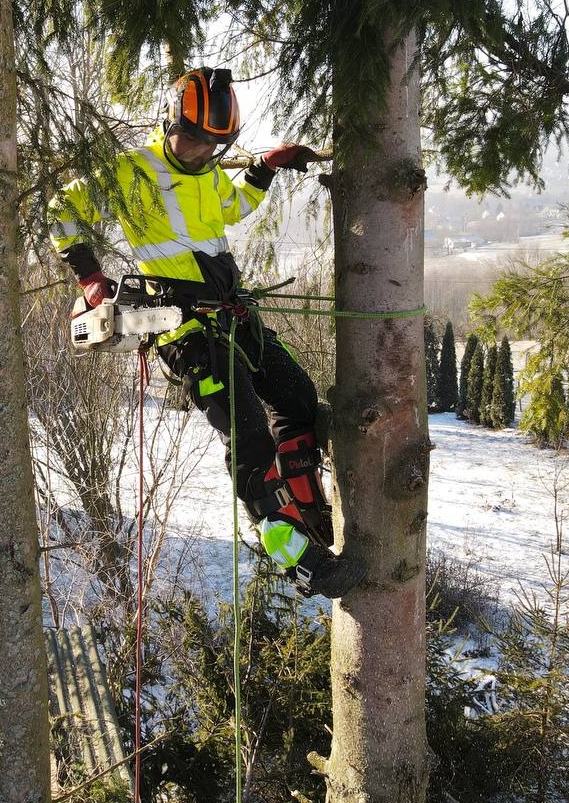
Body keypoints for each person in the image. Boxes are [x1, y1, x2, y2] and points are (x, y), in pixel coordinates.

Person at [48, 67, 365, 599]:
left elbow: (232, 205)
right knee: (246, 430)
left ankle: (310, 510)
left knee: (297, 398)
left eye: (213, 144)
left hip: (232, 311)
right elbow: (63, 207)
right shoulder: (131, 171)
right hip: (183, 325)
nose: (199, 151)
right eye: (191, 138)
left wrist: (263, 168)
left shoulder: (208, 174)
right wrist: (90, 276)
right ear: (169, 122)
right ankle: (294, 555)